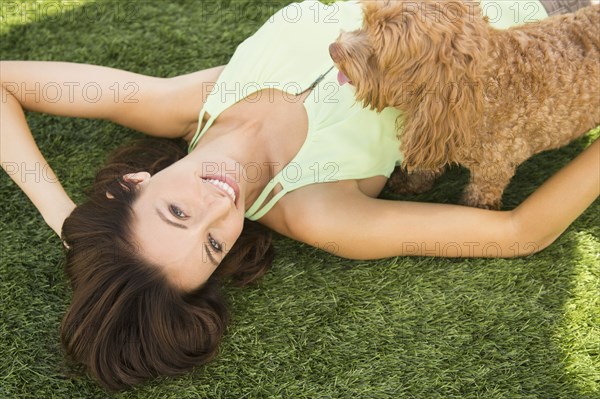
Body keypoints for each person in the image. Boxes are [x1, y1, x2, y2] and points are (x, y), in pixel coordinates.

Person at [1, 0, 598, 391]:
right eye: (211, 244)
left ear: (132, 184)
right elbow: (521, 232)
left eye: (176, 211)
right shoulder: (321, 212)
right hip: (556, 23)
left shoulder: (189, 102)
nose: (220, 205)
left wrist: (68, 219)